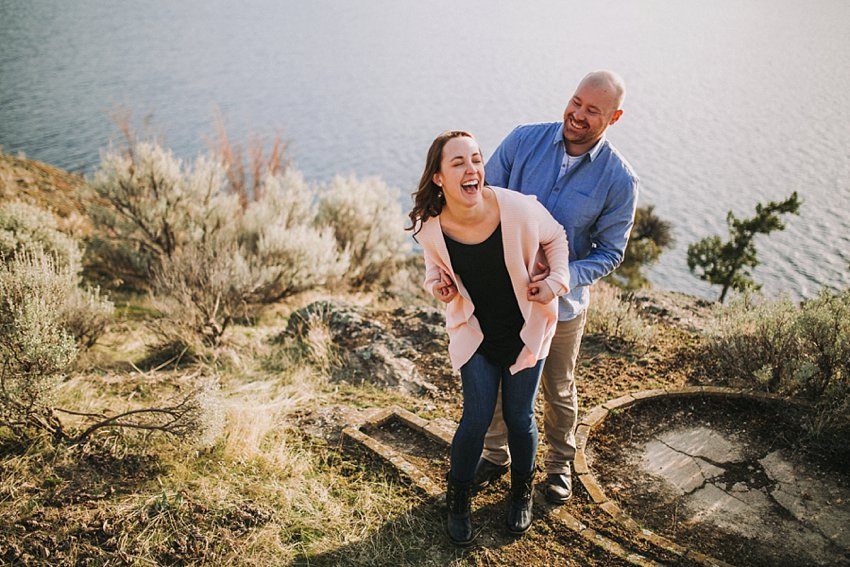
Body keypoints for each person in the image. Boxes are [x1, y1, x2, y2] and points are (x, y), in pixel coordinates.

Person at [475, 70, 639, 505]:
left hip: (562, 307)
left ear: (614, 117)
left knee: (558, 388)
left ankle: (559, 465)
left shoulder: (620, 180)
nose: (578, 115)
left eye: (593, 110)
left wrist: (560, 279)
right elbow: (482, 199)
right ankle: (495, 455)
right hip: (502, 295)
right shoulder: (523, 140)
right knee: (497, 377)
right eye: (576, 102)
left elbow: (610, 252)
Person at [407, 131, 570, 545]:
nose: (472, 169)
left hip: (526, 329)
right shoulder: (431, 227)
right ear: (439, 177)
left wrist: (555, 281)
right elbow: (434, 272)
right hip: (476, 333)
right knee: (476, 419)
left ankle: (521, 494)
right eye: (458, 162)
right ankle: (458, 500)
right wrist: (440, 288)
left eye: (476, 159)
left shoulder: (516, 208)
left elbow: (556, 238)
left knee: (519, 417)